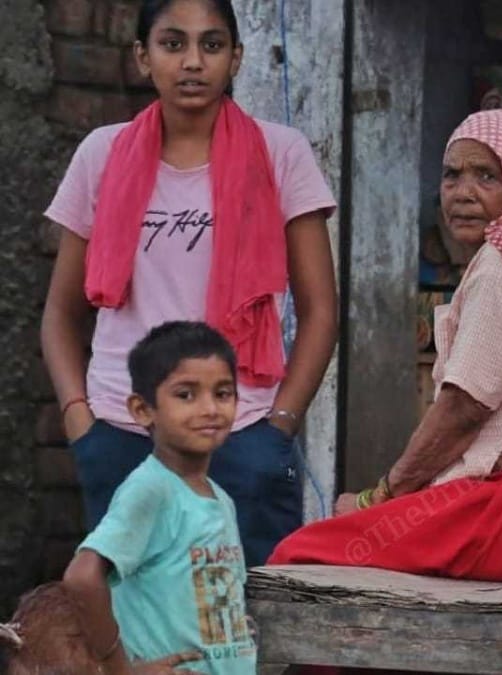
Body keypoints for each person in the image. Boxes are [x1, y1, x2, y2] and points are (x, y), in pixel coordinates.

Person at [268, 110, 502, 583]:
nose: (463, 193)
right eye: (452, 176)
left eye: (486, 176)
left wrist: (381, 496)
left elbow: (464, 409)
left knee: (301, 553)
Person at [40, 0, 338, 567]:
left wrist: (277, 428)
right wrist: (80, 417)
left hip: (241, 430)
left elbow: (321, 310)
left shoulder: (281, 154)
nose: (193, 62)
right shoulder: (101, 153)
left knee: (246, 622)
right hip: (122, 431)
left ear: (237, 58)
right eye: (173, 44)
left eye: (212, 44)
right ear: (142, 57)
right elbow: (60, 312)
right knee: (131, 621)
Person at [61, 321, 254, 675]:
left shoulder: (221, 499)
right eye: (186, 395)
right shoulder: (152, 489)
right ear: (142, 409)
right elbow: (82, 577)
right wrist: (120, 669)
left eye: (223, 393)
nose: (210, 409)